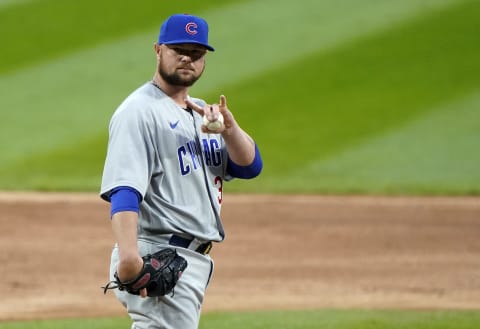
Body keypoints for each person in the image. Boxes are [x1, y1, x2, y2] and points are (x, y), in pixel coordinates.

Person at [99, 13, 263, 329]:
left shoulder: (203, 114)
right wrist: (130, 257)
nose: (188, 58)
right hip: (158, 254)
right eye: (179, 50)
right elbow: (125, 189)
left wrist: (229, 129)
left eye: (196, 53)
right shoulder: (139, 112)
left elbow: (249, 167)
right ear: (158, 50)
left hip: (189, 259)